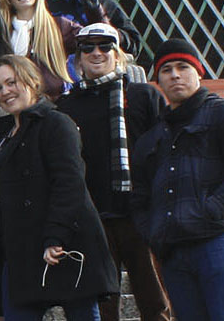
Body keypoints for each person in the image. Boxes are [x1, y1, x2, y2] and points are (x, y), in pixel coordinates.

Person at [131, 38, 224, 321]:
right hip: (173, 253)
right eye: (166, 70)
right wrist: (154, 231)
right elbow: (139, 198)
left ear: (199, 72)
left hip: (218, 241)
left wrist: (208, 210)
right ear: (158, 81)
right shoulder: (151, 139)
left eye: (183, 67)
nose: (175, 75)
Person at [0, 55, 118, 320]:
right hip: (21, 250)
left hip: (63, 244)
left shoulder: (57, 123)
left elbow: (70, 183)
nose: (5, 92)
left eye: (12, 82)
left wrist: (56, 236)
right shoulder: (2, 135)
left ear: (32, 81)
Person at [56, 24, 171, 321]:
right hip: (93, 216)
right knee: (103, 305)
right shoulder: (66, 106)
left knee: (155, 299)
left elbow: (165, 151)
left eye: (105, 46)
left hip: (140, 212)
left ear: (118, 54)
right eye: (88, 47)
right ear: (78, 58)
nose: (97, 53)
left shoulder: (144, 95)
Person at [0, 0, 77, 100]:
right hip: (12, 101)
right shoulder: (3, 30)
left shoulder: (59, 25)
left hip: (54, 102)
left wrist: (94, 10)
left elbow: (95, 40)